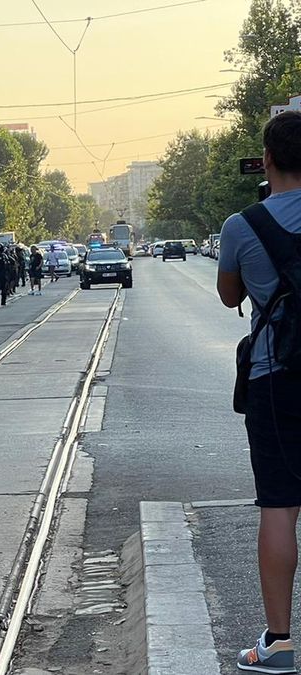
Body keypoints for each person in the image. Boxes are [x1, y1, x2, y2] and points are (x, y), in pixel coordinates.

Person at [217, 110, 301, 674]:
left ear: (267, 159)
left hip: (278, 381)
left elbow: (228, 296)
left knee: (279, 505)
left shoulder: (241, 226)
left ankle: (278, 644)